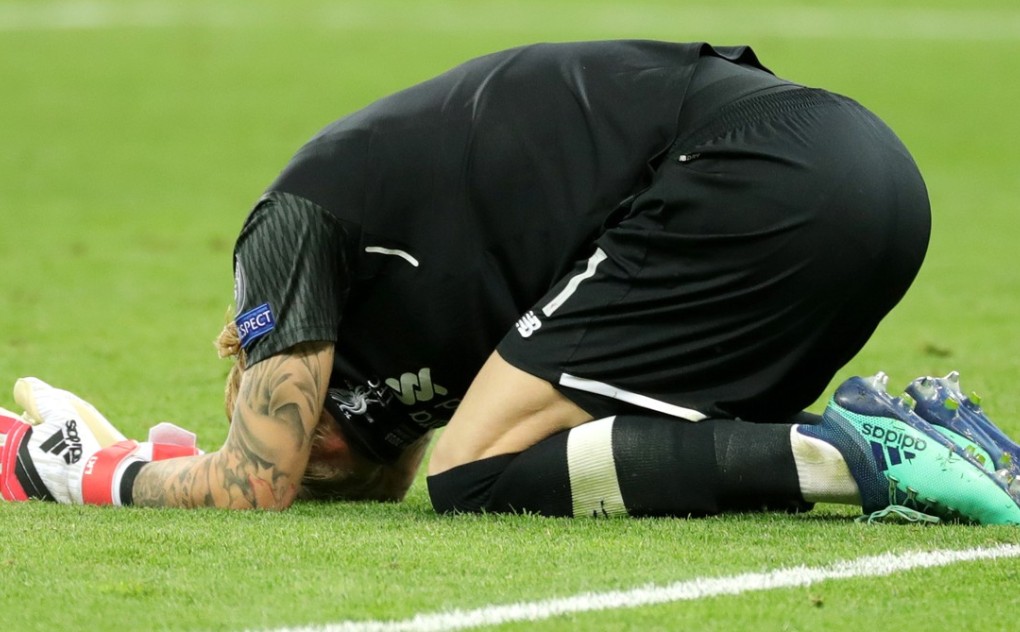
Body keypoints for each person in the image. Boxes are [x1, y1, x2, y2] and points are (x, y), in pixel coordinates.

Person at [2, 40, 1019, 523]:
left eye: (270, 402)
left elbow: (254, 479)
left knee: (473, 472)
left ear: (253, 342)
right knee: (552, 453)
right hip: (860, 182)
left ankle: (851, 452)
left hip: (755, 173)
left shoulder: (285, 228)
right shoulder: (430, 344)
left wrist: (99, 465)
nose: (312, 454)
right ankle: (927, 437)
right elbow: (355, 468)